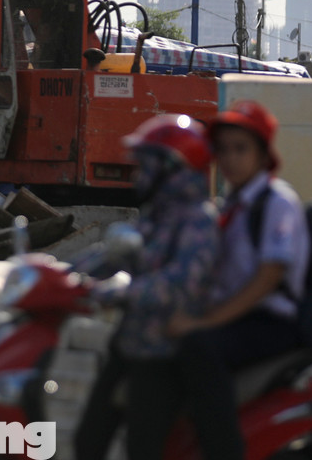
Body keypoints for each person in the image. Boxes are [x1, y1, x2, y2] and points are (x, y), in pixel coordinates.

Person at [166, 99, 311, 460]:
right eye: (224, 150)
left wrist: (205, 322)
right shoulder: (231, 204)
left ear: (263, 154)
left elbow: (268, 277)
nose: (230, 159)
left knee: (199, 347)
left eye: (241, 149)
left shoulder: (277, 203)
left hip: (271, 320)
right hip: (239, 314)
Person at [74, 113, 221, 460]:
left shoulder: (199, 221)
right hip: (130, 344)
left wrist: (118, 293)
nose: (138, 176)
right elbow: (115, 255)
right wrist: (63, 275)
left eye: (145, 166)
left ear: (171, 168)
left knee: (143, 449)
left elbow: (179, 283)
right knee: (87, 442)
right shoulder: (157, 215)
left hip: (165, 356)